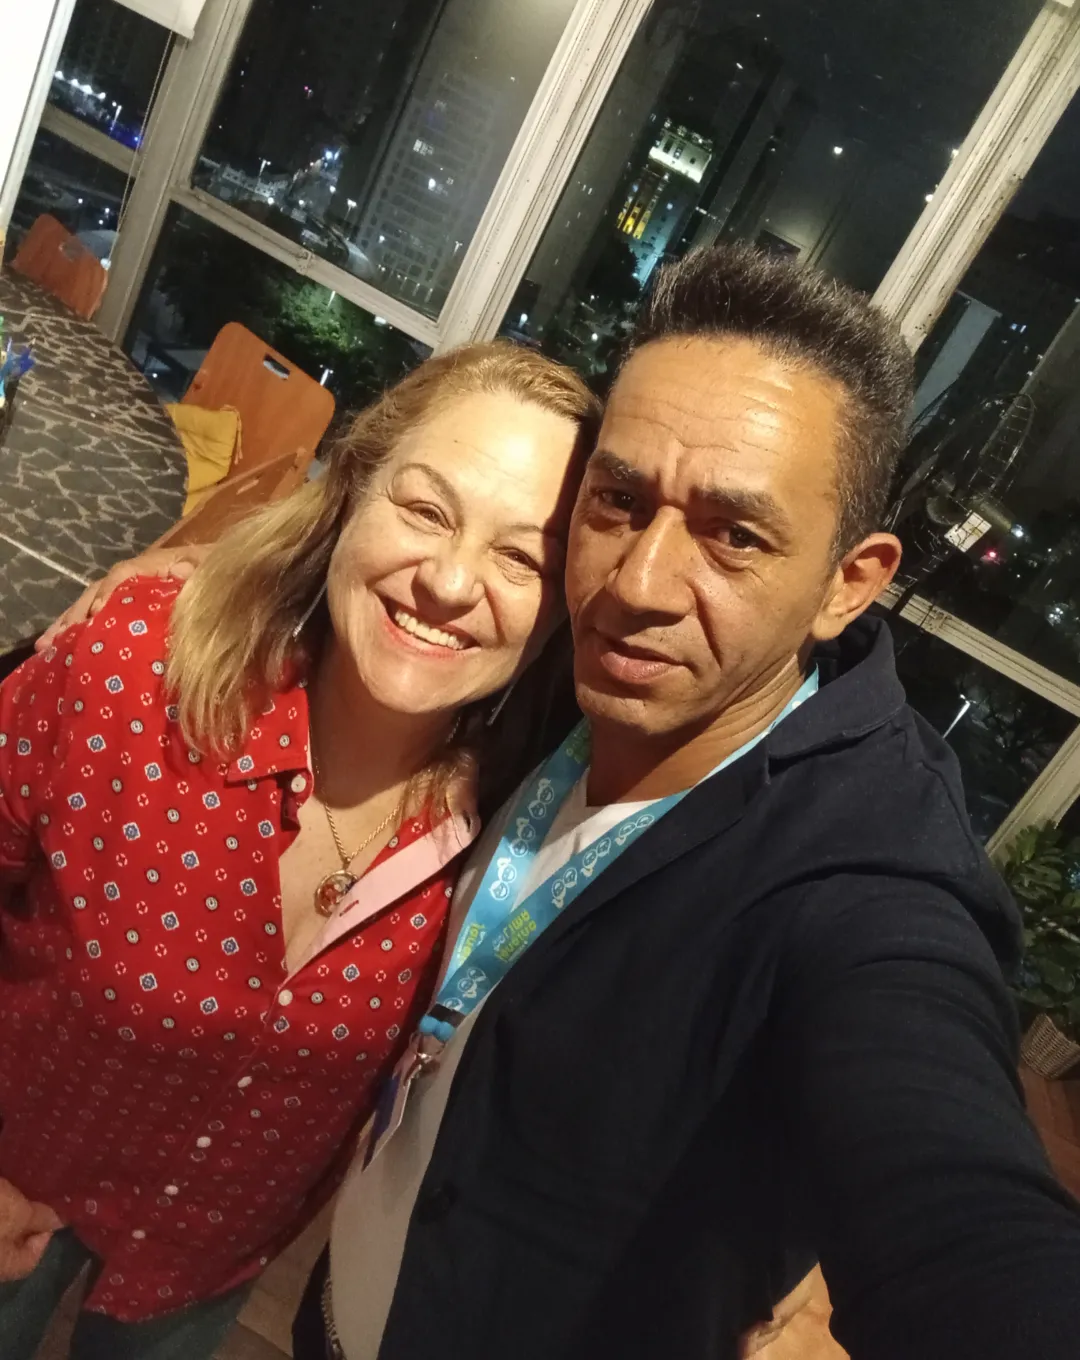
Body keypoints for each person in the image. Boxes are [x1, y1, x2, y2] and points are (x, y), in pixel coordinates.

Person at [42, 245, 1080, 1360]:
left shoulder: (867, 876)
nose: (637, 584)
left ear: (849, 582)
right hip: (339, 1310)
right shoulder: (564, 678)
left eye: (735, 535)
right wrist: (203, 586)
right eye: (619, 500)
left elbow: (953, 1196)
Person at [0, 340, 600, 1359]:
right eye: (426, 510)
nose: (452, 581)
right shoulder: (134, 666)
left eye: (523, 558)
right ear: (353, 491)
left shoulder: (529, 829)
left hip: (208, 1257)